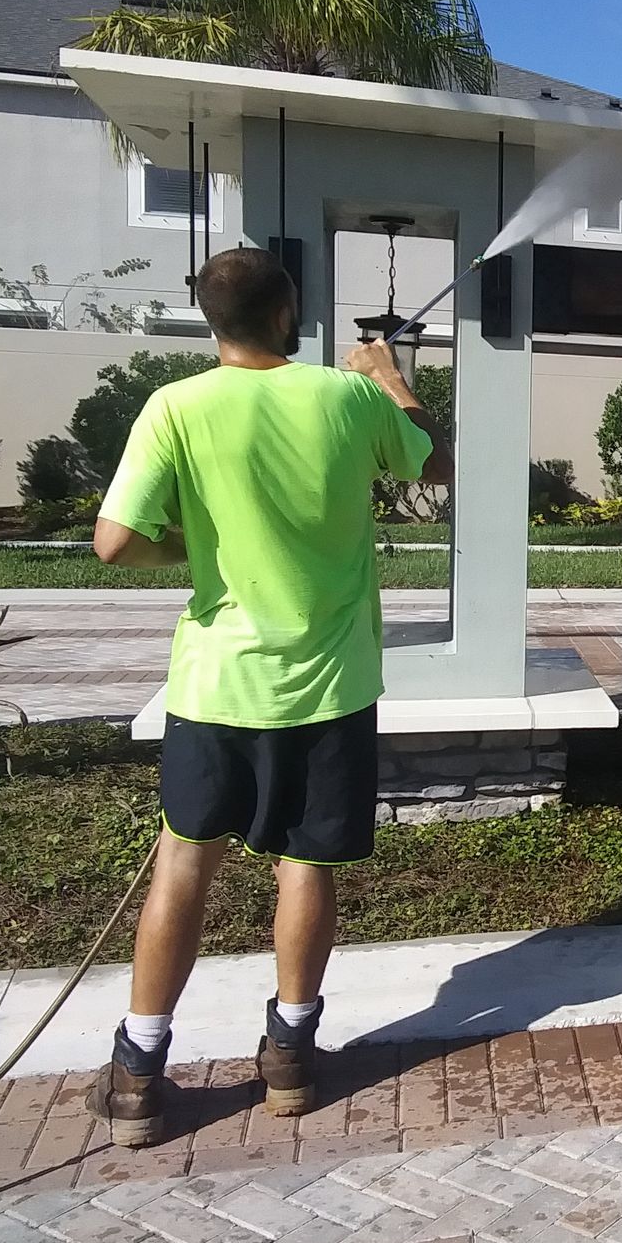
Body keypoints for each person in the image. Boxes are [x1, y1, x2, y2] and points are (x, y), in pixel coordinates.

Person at [85, 247, 452, 1147]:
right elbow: (431, 467)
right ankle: (289, 1057)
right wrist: (389, 375)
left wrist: (191, 559)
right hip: (330, 687)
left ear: (212, 323)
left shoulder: (175, 404)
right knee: (306, 866)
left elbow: (113, 542)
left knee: (184, 865)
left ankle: (138, 1074)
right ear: (288, 315)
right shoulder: (347, 395)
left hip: (217, 686)